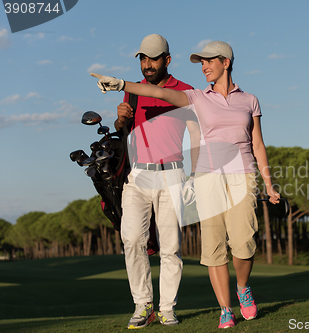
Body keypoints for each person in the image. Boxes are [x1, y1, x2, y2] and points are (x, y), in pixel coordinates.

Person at [91, 40, 279, 329]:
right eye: (200, 62)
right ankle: (199, 308)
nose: (203, 66)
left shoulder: (231, 98)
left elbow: (249, 142)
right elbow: (147, 100)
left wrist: (267, 182)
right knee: (185, 244)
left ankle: (216, 295)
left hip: (212, 173)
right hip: (173, 175)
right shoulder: (187, 95)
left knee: (227, 243)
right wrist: (120, 88)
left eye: (208, 61)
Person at [112, 34, 200, 329]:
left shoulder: (185, 91)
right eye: (143, 59)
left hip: (172, 174)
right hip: (136, 175)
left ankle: (166, 308)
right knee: (131, 240)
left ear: (168, 60)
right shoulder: (133, 93)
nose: (147, 65)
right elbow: (122, 130)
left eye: (153, 58)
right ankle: (143, 304)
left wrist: (195, 175)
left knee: (170, 247)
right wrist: (120, 118)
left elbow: (197, 135)